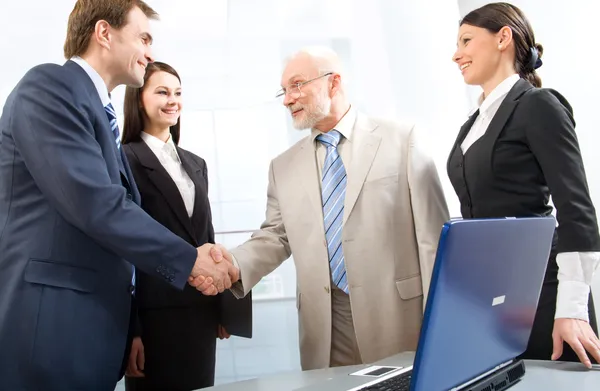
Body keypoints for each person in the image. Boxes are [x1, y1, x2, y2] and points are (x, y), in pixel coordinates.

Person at [0, 1, 235, 390]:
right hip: (49, 329)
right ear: (104, 33)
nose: (150, 52)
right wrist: (189, 260)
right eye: (143, 37)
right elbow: (96, 205)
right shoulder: (49, 88)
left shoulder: (100, 113)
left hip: (92, 330)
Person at [192, 46, 450, 370]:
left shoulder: (402, 139)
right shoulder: (282, 167)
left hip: (398, 319)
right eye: (284, 90)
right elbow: (276, 236)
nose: (288, 99)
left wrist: (444, 321)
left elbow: (434, 240)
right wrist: (232, 265)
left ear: (334, 82)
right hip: (325, 328)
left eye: (297, 85)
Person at [450, 2, 600, 368]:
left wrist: (573, 309)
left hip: (545, 295)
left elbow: (577, 212)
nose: (457, 55)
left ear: (503, 37)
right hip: (494, 302)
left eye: (467, 40)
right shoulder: (471, 126)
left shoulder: (538, 105)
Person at [121, 61, 252, 391]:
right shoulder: (123, 158)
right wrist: (132, 329)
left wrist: (222, 306)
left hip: (201, 311)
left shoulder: (196, 164)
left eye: (178, 93)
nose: (172, 100)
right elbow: (124, 249)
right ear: (139, 99)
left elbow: (207, 238)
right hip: (155, 318)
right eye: (162, 92)